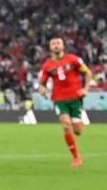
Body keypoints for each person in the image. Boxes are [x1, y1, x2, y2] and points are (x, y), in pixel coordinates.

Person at [38, 37, 93, 167]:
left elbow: (88, 72)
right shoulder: (47, 65)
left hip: (75, 98)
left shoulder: (73, 59)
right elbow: (42, 83)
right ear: (50, 47)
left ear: (63, 46)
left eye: (58, 43)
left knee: (78, 131)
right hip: (59, 99)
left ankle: (78, 123)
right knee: (66, 125)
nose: (56, 46)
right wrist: (42, 89)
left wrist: (85, 89)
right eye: (53, 44)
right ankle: (76, 158)